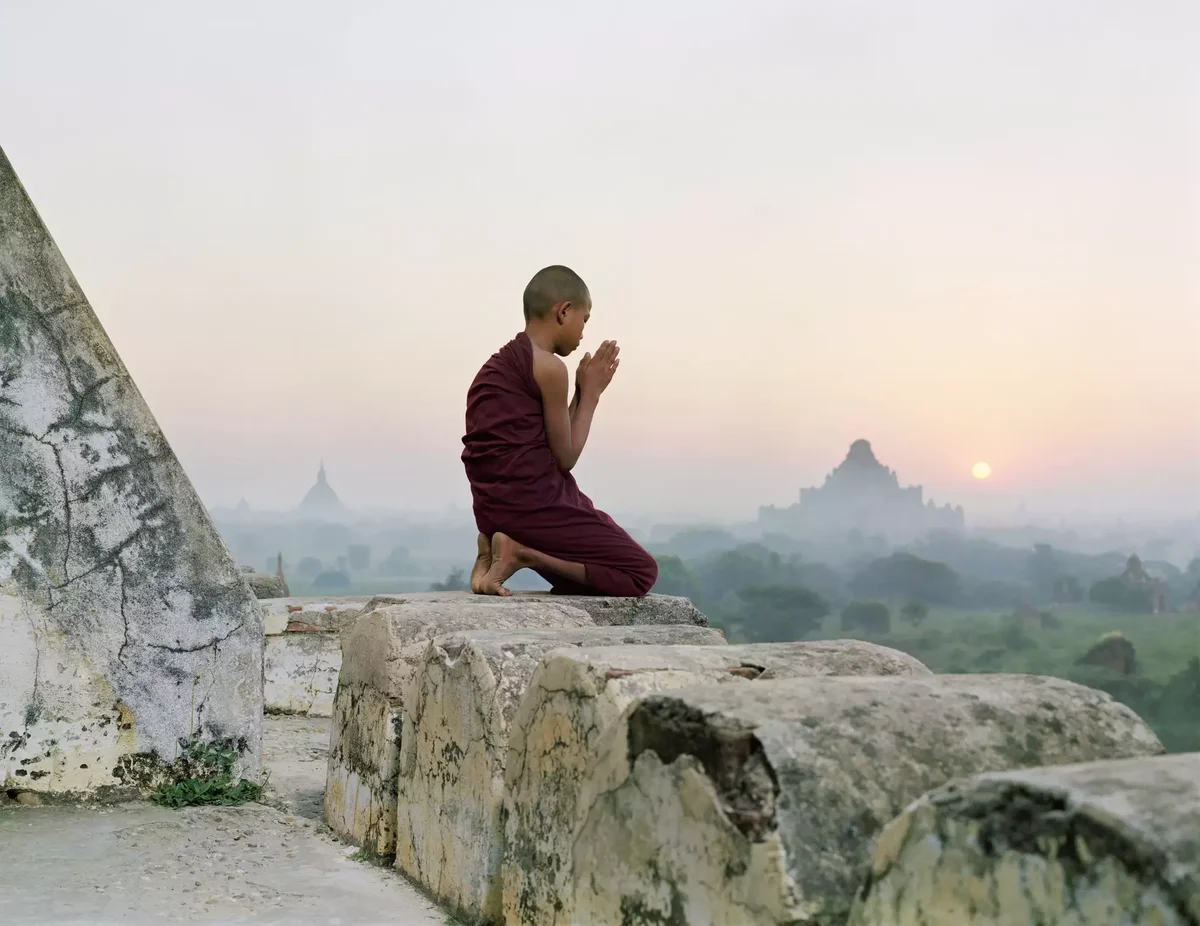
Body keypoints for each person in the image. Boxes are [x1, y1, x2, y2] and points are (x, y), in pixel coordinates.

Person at [461, 265, 658, 598]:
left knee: (579, 581)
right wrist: (592, 395)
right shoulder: (549, 367)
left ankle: (492, 554)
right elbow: (565, 458)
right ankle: (523, 553)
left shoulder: (498, 364)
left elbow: (545, 445)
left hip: (492, 511)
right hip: (532, 508)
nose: (583, 332)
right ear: (564, 311)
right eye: (585, 319)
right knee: (639, 572)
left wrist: (579, 392)